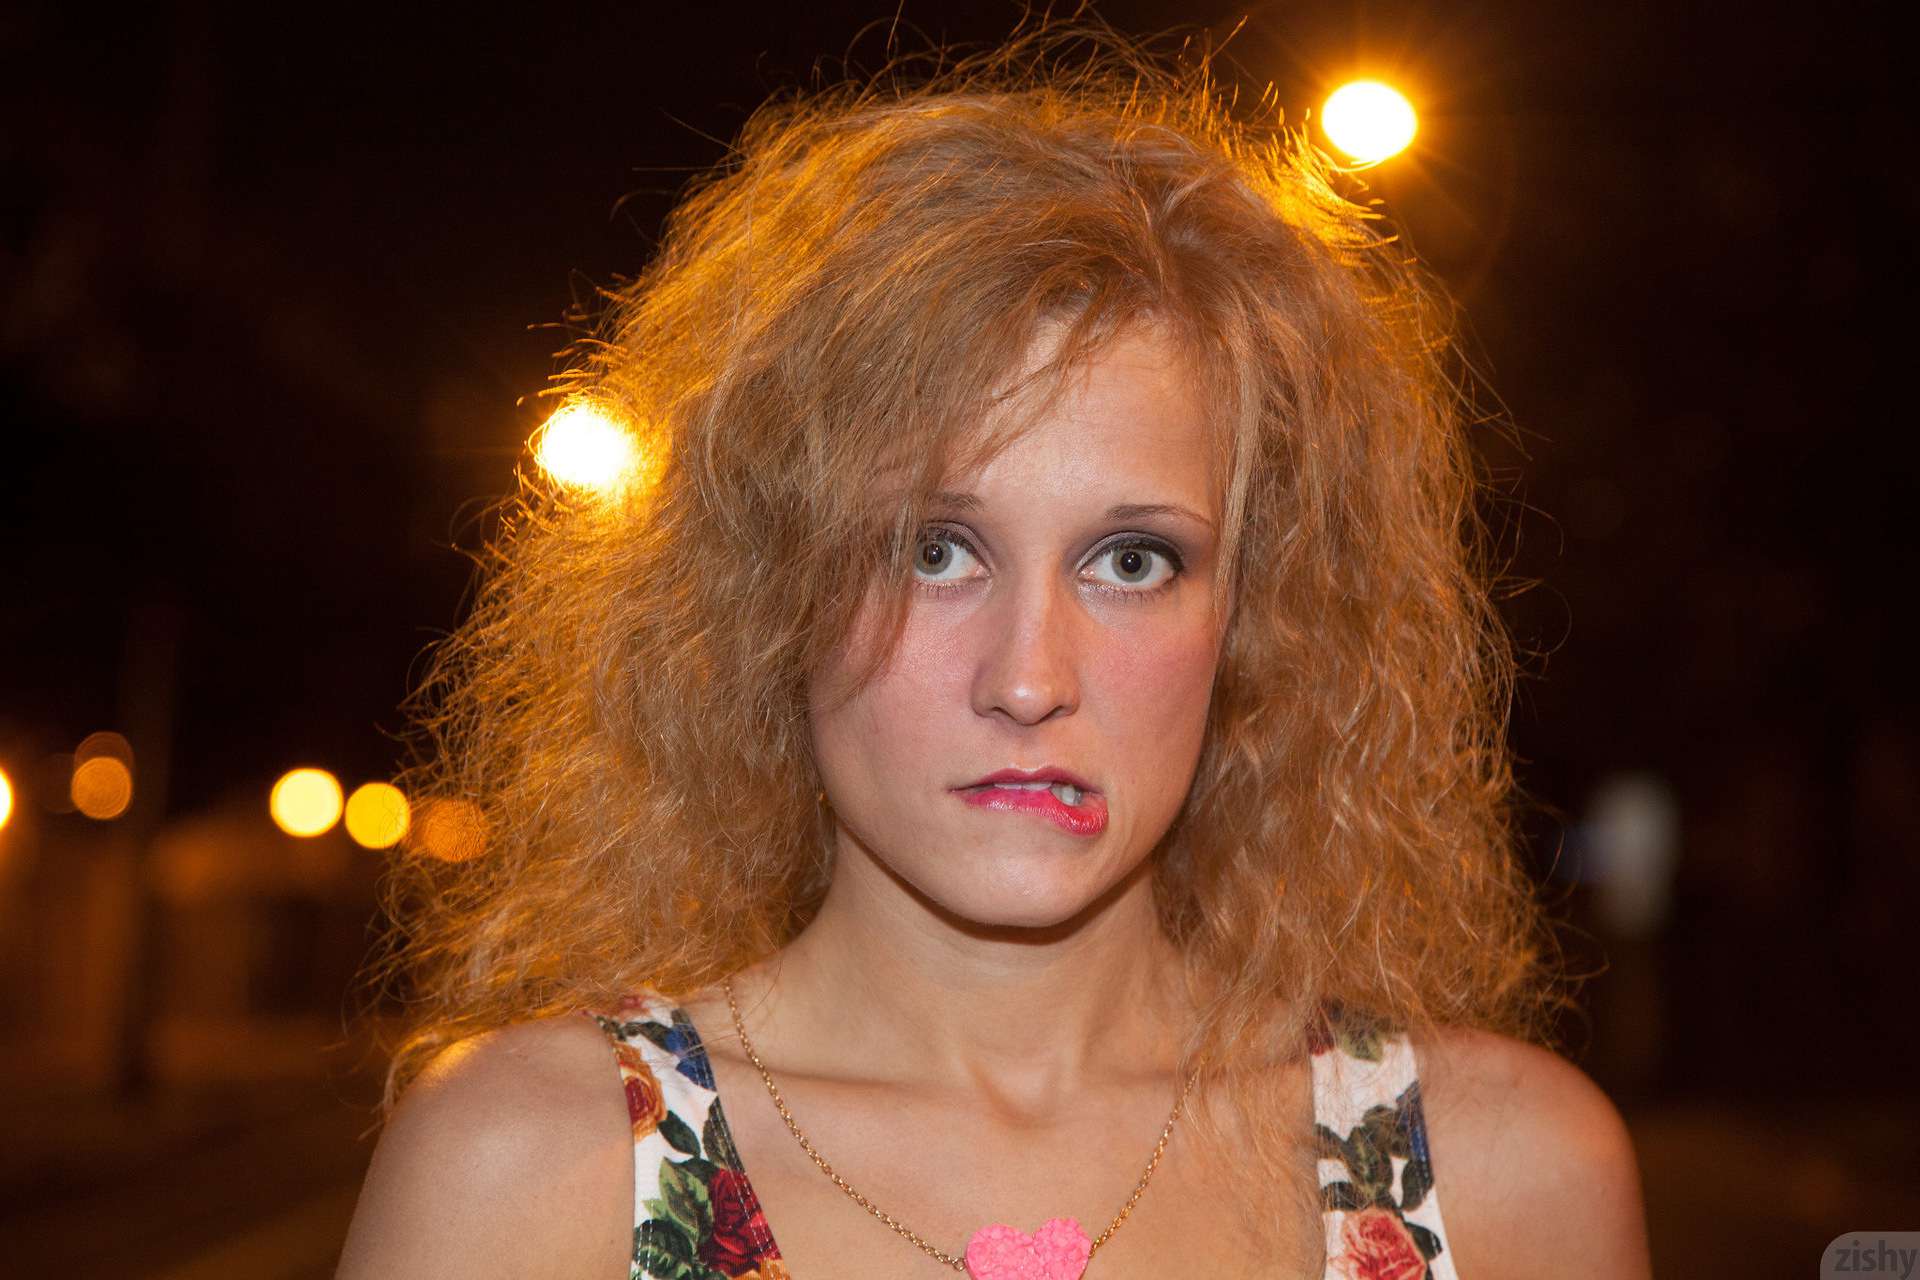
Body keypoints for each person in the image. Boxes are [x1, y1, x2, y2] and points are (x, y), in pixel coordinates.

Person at [335, 28, 1651, 1280]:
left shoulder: (1506, 1175)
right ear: (768, 591)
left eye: (1131, 561)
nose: (1028, 680)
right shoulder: (532, 1170)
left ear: (1257, 618)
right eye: (934, 551)